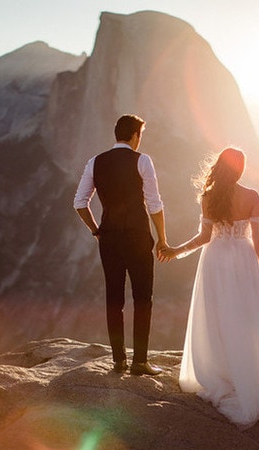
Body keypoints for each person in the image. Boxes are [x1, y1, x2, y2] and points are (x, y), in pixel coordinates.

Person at [161, 147, 259, 427]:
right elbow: (258, 237)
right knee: (247, 319)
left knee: (217, 317)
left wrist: (176, 251)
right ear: (240, 169)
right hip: (243, 260)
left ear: (219, 167)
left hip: (215, 260)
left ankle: (222, 372)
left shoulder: (208, 197)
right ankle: (250, 377)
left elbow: (204, 237)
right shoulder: (252, 196)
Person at [74, 114, 168, 376]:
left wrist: (96, 230)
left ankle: (118, 361)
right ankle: (140, 362)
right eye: (141, 135)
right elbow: (154, 204)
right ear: (136, 135)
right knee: (143, 298)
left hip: (110, 238)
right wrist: (162, 239)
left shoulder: (95, 162)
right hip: (138, 237)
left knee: (114, 298)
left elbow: (80, 203)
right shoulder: (142, 161)